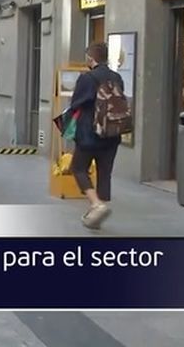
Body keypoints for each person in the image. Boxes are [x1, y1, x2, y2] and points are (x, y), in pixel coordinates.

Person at [68, 41, 127, 230]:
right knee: (105, 172)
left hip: (89, 133)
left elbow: (77, 103)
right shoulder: (116, 77)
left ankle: (96, 205)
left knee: (78, 168)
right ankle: (97, 213)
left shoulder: (87, 78)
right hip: (112, 134)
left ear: (91, 58)